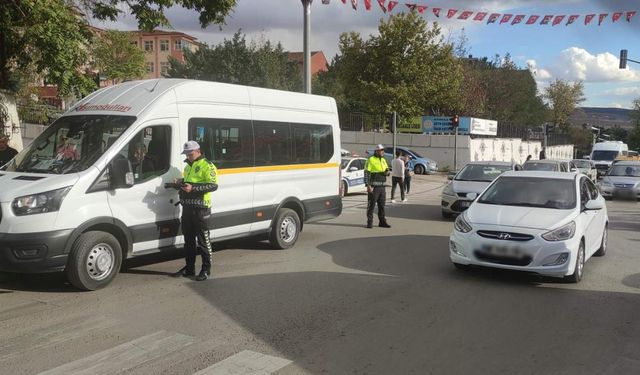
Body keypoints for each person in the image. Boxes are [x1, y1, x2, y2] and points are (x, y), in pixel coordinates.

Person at [173, 141, 219, 281]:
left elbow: (213, 185)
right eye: (186, 154)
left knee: (203, 240)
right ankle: (189, 267)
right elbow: (188, 183)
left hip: (201, 210)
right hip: (187, 208)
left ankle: (206, 269)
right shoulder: (187, 167)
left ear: (198, 151)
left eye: (190, 153)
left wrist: (193, 188)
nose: (188, 156)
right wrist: (179, 184)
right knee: (189, 241)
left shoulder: (208, 165)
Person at [364, 144, 391, 228]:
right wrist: (368, 185)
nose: (383, 152)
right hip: (374, 187)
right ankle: (369, 222)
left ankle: (382, 222)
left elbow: (387, 170)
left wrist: (387, 172)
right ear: (377, 151)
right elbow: (366, 173)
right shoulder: (370, 159)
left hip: (382, 186)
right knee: (371, 205)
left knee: (382, 206)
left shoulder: (383, 160)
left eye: (383, 150)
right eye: (381, 150)